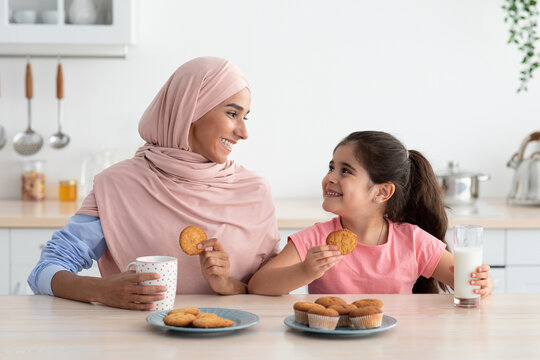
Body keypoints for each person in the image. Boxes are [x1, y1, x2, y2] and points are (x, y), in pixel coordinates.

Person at [28, 57, 280, 309]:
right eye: (232, 113)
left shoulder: (254, 191)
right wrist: (101, 290)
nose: (243, 133)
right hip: (138, 340)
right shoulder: (117, 186)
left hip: (236, 341)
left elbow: (268, 289)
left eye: (245, 117)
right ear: (191, 109)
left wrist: (228, 285)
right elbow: (43, 272)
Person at [248, 131, 493, 297]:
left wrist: (483, 284)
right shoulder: (315, 239)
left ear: (382, 191)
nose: (330, 177)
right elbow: (258, 285)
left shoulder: (414, 242)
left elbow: (466, 281)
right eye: (331, 167)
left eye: (345, 171)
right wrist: (305, 271)